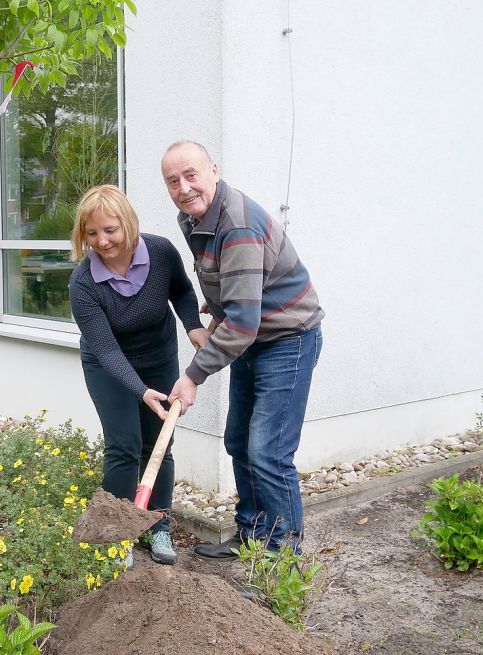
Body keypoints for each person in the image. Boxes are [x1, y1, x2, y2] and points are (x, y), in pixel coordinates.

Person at [160, 141, 325, 558]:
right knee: (239, 441)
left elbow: (243, 324)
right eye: (173, 181)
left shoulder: (237, 225)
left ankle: (283, 558)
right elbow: (229, 286)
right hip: (255, 340)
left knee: (268, 452)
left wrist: (193, 375)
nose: (184, 187)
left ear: (213, 169)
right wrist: (218, 306)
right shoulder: (196, 216)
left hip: (288, 340)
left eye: (191, 175)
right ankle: (252, 536)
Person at [68, 184, 208, 567]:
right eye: (91, 233)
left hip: (158, 356)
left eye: (109, 230)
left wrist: (193, 327)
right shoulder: (83, 283)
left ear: (128, 224)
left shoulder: (160, 251)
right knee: (124, 447)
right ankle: (115, 537)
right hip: (108, 365)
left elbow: (180, 291)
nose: (102, 241)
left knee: (159, 443)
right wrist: (141, 391)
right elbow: (107, 350)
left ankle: (157, 524)